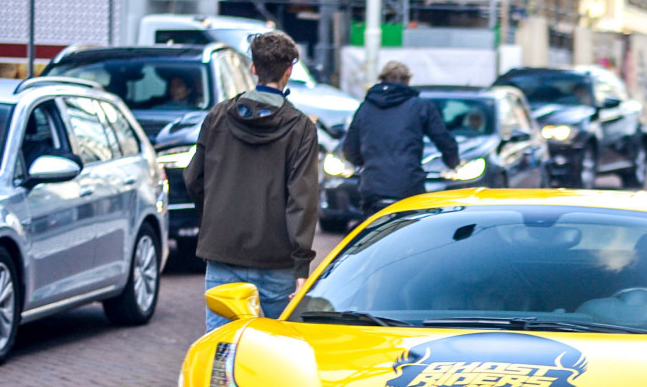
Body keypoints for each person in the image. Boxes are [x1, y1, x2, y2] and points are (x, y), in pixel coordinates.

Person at [184, 31, 320, 332]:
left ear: (253, 68)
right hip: (277, 259)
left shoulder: (218, 116)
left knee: (222, 346)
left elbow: (194, 178)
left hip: (223, 251)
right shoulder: (299, 128)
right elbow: (303, 200)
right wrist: (301, 267)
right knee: (275, 351)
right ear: (289, 71)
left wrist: (217, 218)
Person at [343, 60, 459, 215]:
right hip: (409, 187)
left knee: (373, 234)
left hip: (373, 188)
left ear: (381, 79)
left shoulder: (365, 108)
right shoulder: (420, 106)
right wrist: (452, 162)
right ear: (407, 81)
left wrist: (368, 163)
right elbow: (444, 140)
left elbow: (349, 149)